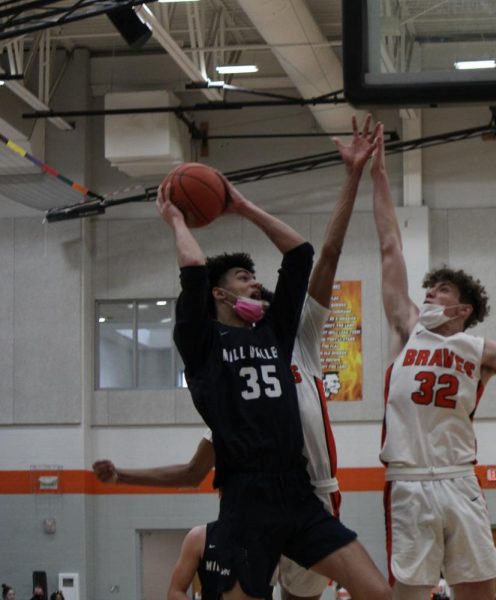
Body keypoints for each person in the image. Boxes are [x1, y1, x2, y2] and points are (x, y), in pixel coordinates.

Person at [94, 115, 379, 600]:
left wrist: (244, 205)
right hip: (246, 496)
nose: (255, 286)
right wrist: (179, 221)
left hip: (308, 490)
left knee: (372, 590)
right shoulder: (209, 353)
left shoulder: (287, 337)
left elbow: (313, 254)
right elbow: (189, 473)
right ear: (221, 297)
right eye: (244, 278)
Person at [369, 127, 496, 600]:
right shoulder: (408, 329)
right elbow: (389, 247)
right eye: (429, 288)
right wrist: (378, 174)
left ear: (462, 309)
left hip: (460, 480)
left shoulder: (482, 352)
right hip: (410, 481)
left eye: (441, 290)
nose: (428, 294)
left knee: (479, 590)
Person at [166, 521, 271, 600]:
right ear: (221, 496)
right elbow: (175, 592)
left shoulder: (273, 538)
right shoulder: (199, 537)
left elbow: (287, 591)